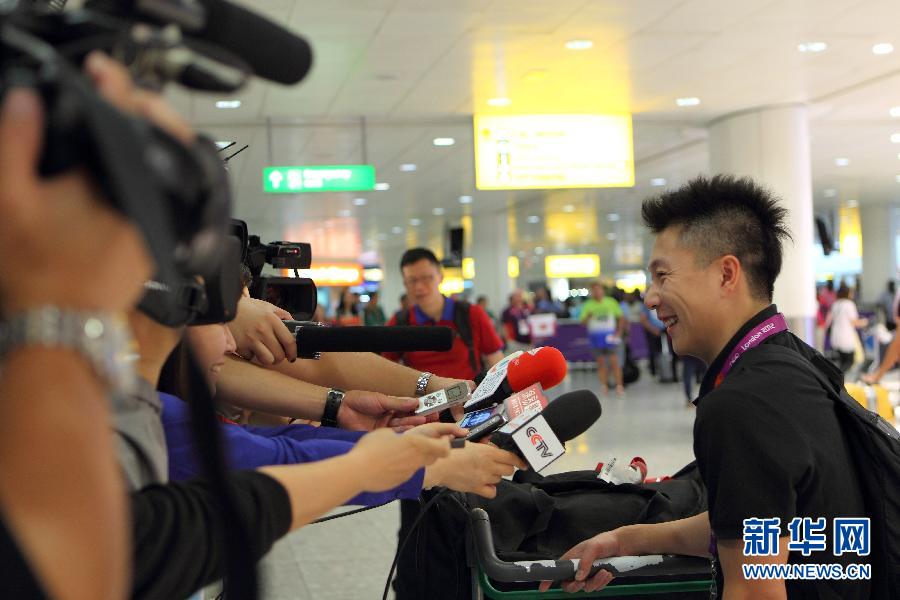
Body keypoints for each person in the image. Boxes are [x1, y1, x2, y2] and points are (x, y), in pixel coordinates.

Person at [543, 175, 870, 599]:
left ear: (726, 274)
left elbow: (756, 591)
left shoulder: (743, 404)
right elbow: (758, 523)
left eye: (663, 276)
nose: (650, 297)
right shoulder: (793, 361)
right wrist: (624, 540)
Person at [385, 247, 504, 381]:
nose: (419, 287)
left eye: (426, 278)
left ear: (440, 277)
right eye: (412, 281)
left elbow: (497, 362)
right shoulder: (400, 322)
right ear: (405, 284)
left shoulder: (471, 314)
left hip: (470, 398)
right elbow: (384, 369)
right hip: (422, 400)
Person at [580, 282, 626, 396]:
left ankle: (619, 386)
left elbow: (620, 317)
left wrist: (619, 331)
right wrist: (588, 317)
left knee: (614, 362)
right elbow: (582, 322)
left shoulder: (611, 302)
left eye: (599, 289)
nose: (597, 292)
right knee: (601, 363)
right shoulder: (588, 305)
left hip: (610, 337)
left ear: (603, 291)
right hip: (595, 338)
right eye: (594, 290)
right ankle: (604, 386)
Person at [825, 283, 868, 373]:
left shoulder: (835, 304)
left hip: (836, 337)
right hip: (846, 337)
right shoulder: (849, 304)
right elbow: (854, 322)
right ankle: (838, 378)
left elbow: (828, 322)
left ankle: (838, 379)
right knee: (850, 361)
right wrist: (865, 322)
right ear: (847, 293)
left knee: (842, 361)